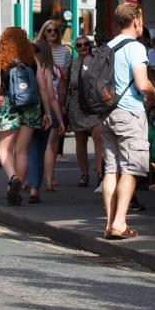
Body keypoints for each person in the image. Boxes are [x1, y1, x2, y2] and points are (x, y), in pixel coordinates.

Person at [101, 3, 155, 240]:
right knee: (130, 169)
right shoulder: (135, 47)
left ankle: (109, 223)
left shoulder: (107, 46)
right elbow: (142, 83)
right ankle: (119, 223)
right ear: (135, 21)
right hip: (129, 113)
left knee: (111, 169)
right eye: (142, 20)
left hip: (107, 113)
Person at [0, 27, 53, 205]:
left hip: (9, 106)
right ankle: (17, 189)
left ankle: (13, 178)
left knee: (3, 149)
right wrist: (47, 112)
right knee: (22, 150)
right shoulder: (32, 60)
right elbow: (43, 88)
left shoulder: (1, 60)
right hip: (31, 107)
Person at [23, 42, 64, 203]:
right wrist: (58, 119)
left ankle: (27, 182)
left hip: (25, 112)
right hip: (42, 112)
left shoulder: (18, 69)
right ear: (38, 54)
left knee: (27, 150)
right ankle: (35, 187)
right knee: (39, 151)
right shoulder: (44, 70)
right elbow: (52, 97)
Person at [37, 19, 70, 192]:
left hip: (55, 98)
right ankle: (39, 180)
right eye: (49, 30)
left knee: (49, 144)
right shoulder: (38, 49)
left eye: (55, 30)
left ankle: (46, 179)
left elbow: (64, 83)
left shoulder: (64, 52)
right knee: (41, 144)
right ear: (44, 32)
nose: (52, 33)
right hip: (46, 101)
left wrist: (63, 107)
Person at [68, 35, 104, 188]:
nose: (82, 47)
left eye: (85, 44)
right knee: (80, 140)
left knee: (98, 138)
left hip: (94, 104)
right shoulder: (74, 63)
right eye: (79, 45)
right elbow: (68, 86)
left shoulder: (97, 61)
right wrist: (65, 105)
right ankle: (84, 174)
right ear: (76, 48)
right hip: (77, 105)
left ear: (90, 45)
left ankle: (100, 174)